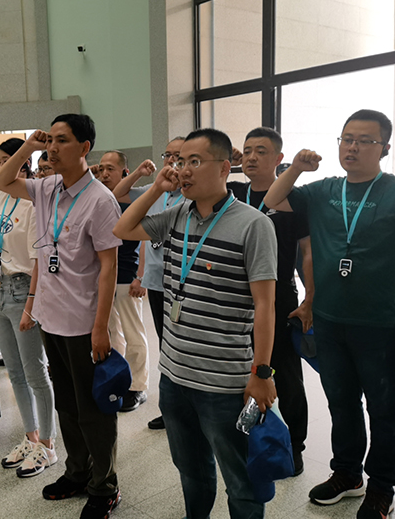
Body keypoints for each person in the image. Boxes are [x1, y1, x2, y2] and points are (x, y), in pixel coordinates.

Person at [264, 109, 395, 519]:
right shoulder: (324, 190)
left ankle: (381, 487)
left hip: (376, 321)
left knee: (384, 408)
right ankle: (347, 473)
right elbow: (272, 199)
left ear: (385, 148)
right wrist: (295, 168)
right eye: (346, 139)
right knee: (340, 402)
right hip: (329, 319)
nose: (352, 147)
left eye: (364, 140)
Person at [113, 128, 278, 519]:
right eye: (179, 161)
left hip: (223, 381)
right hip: (174, 377)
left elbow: (265, 304)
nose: (183, 170)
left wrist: (262, 372)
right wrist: (157, 188)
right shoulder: (176, 216)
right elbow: (122, 229)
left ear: (223, 168)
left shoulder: (253, 224)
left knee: (241, 479)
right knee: (191, 470)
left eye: (194, 161)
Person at [0, 114, 123, 519]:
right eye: (50, 140)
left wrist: (101, 328)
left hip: (83, 322)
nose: (52, 147)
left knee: (93, 410)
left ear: (84, 148)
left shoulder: (100, 200)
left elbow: (109, 267)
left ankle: (105, 486)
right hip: (51, 317)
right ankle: (77, 472)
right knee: (67, 405)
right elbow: (3, 181)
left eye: (62, 140)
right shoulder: (47, 187)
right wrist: (28, 147)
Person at [0, 139, 58, 476]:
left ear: (24, 164)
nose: (1, 166)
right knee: (14, 373)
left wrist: (31, 304)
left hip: (22, 289)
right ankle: (30, 437)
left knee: (35, 372)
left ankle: (47, 444)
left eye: (8, 160)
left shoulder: (34, 203)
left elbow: (38, 262)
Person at [228, 127, 314, 476]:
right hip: (237, 298)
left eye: (261, 151)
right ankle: (249, 436)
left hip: (279, 297)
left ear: (279, 158)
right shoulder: (234, 193)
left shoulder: (293, 198)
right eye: (247, 150)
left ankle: (295, 446)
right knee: (243, 371)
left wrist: (310, 299)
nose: (251, 157)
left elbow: (307, 252)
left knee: (287, 376)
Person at [111, 137, 185, 430]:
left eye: (179, 156)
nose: (172, 161)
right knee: (166, 347)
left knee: (183, 347)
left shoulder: (192, 196)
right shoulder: (155, 192)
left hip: (184, 284)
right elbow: (118, 195)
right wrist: (142, 175)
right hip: (157, 281)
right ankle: (171, 410)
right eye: (168, 155)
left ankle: (189, 411)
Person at [97, 150, 153, 412]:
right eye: (101, 169)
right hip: (103, 278)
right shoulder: (100, 201)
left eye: (110, 169)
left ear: (124, 172)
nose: (104, 174)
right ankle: (118, 378)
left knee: (134, 333)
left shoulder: (133, 200)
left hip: (127, 276)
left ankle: (138, 386)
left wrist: (141, 276)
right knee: (111, 333)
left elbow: (146, 241)